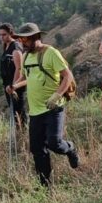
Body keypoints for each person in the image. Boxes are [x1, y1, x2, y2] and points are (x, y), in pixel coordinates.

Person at [13, 22, 80, 186]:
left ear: (36, 37)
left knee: (54, 143)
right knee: (37, 150)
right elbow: (27, 77)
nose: (22, 42)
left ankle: (70, 148)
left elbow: (68, 76)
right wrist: (14, 85)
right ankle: (45, 185)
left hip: (53, 108)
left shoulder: (51, 53)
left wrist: (56, 96)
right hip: (35, 111)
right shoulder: (27, 56)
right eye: (21, 39)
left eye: (25, 39)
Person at [0, 23, 26, 128]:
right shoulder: (6, 46)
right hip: (8, 85)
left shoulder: (15, 47)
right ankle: (19, 134)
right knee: (14, 113)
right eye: (0, 35)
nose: (2, 37)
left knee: (19, 112)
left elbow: (19, 68)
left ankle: (23, 134)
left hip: (15, 86)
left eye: (4, 34)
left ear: (11, 33)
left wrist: (14, 86)